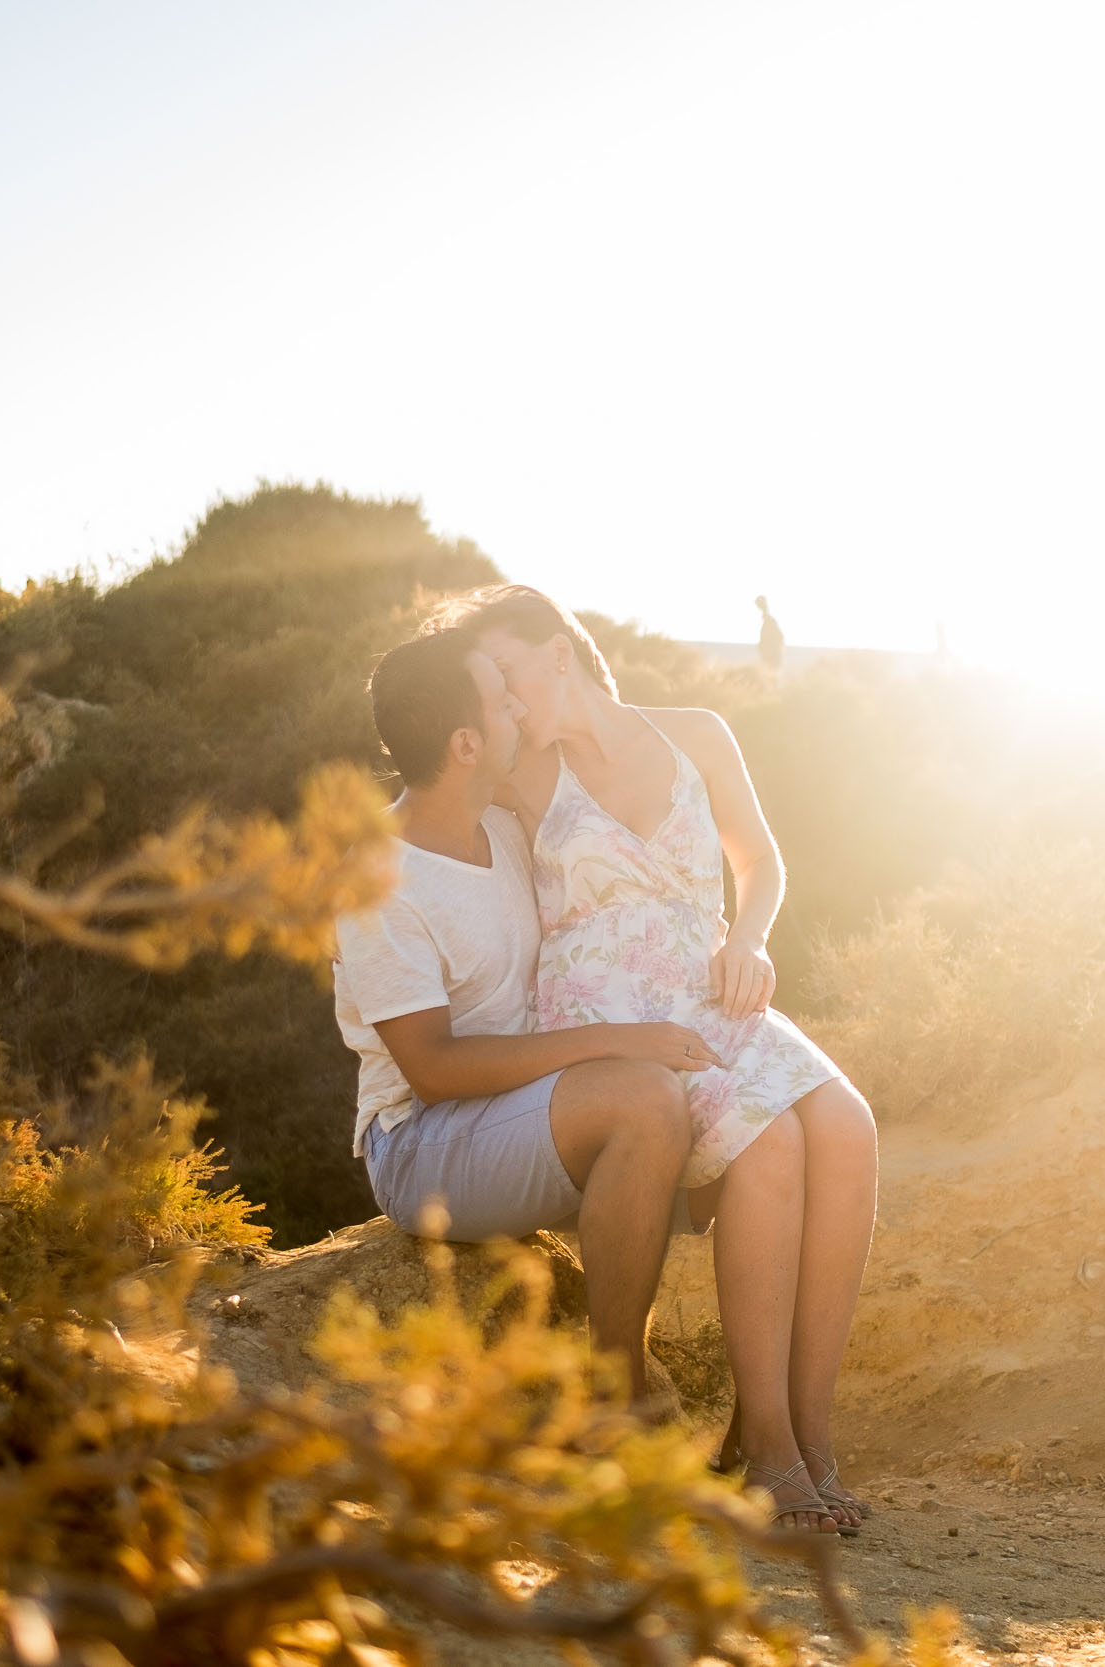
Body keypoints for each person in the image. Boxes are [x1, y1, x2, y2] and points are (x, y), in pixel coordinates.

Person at [442, 584, 878, 1536]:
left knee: (848, 1125)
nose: (507, 705)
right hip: (607, 1015)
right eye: (494, 692)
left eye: (510, 676)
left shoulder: (697, 734)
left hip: (711, 984)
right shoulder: (525, 771)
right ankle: (766, 1450)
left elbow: (761, 861)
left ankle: (808, 1433)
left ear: (559, 649)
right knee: (771, 1145)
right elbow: (429, 793)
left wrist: (752, 940)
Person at [331, 627, 722, 1407]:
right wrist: (625, 1042)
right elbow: (434, 1071)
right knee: (646, 1100)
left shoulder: (506, 824)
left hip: (527, 1106)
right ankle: (617, 1403)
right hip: (418, 1140)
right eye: (501, 699)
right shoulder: (377, 875)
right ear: (467, 743)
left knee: (740, 1116)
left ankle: (764, 1427)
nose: (520, 708)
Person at [755, 595, 785, 673]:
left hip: (772, 657)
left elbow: (779, 638)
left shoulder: (770, 623)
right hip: (769, 657)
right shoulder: (768, 623)